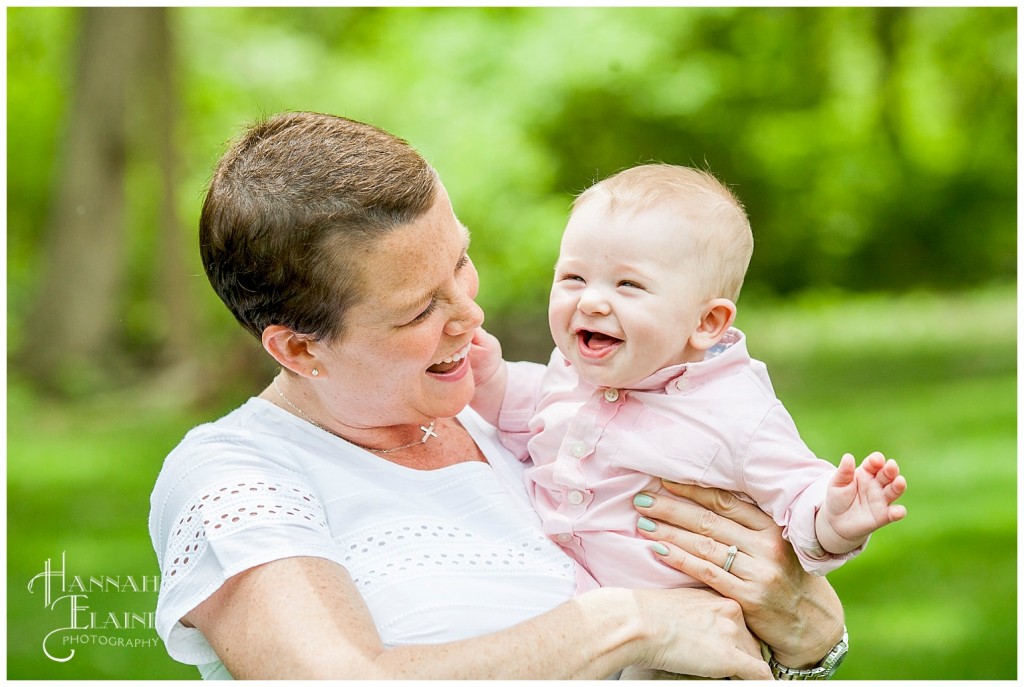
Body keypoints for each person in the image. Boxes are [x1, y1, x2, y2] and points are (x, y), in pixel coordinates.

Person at [149, 112, 847, 680]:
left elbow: (751, 619)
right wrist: (630, 622)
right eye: (421, 309)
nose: (469, 316)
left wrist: (810, 636)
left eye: (461, 261)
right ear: (299, 348)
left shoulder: (515, 412)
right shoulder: (239, 476)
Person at [470, 163, 908, 594]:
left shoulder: (736, 412)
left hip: (676, 638)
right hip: (565, 599)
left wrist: (836, 519)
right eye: (573, 277)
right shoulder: (567, 373)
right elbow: (524, 408)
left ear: (707, 322)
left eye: (628, 285)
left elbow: (797, 492)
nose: (591, 301)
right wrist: (489, 377)